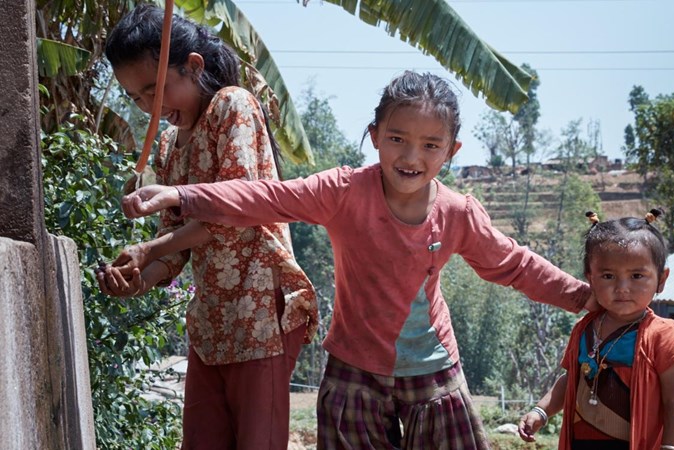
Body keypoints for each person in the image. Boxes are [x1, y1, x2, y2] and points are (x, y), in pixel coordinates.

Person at [117, 70, 597, 449]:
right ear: (375, 135)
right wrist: (181, 195)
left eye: (431, 145)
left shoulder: (457, 213)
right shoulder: (343, 191)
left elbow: (515, 264)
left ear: (451, 151)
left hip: (434, 373)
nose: (412, 156)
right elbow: (266, 197)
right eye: (397, 139)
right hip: (354, 372)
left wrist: (583, 297)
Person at [94, 5, 318, 449]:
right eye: (136, 99)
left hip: (261, 319)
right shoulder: (168, 144)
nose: (150, 108)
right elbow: (174, 248)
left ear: (193, 66)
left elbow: (236, 211)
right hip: (211, 328)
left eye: (155, 91)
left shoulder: (232, 106)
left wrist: (151, 249)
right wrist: (139, 278)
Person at [519, 209, 674, 450]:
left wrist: (671, 448)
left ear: (661, 279)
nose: (622, 287)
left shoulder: (664, 336)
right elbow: (571, 379)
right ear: (590, 279)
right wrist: (541, 411)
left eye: (637, 275)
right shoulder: (584, 329)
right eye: (608, 276)